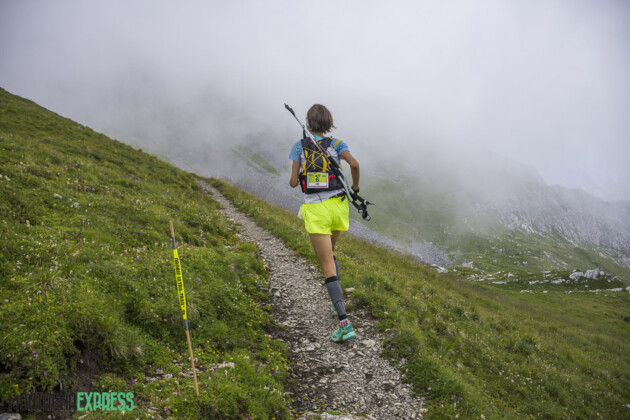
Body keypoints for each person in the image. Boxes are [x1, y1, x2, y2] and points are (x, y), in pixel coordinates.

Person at [288, 104, 360, 342]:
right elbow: (355, 165)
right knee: (331, 253)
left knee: (327, 262)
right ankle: (335, 303)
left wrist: (303, 175)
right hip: (339, 206)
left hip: (316, 208)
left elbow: (292, 183)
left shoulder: (299, 146)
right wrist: (355, 187)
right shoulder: (337, 144)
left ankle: (344, 323)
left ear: (308, 122)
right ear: (329, 123)